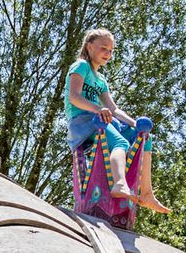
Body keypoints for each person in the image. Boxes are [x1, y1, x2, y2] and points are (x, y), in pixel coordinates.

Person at [65, 29, 170, 214]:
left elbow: (113, 109)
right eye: (103, 48)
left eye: (111, 50)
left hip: (101, 119)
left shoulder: (101, 80)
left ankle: (146, 192)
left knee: (144, 137)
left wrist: (134, 123)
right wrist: (98, 109)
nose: (108, 53)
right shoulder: (81, 66)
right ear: (89, 46)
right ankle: (119, 183)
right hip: (82, 122)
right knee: (120, 142)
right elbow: (74, 97)